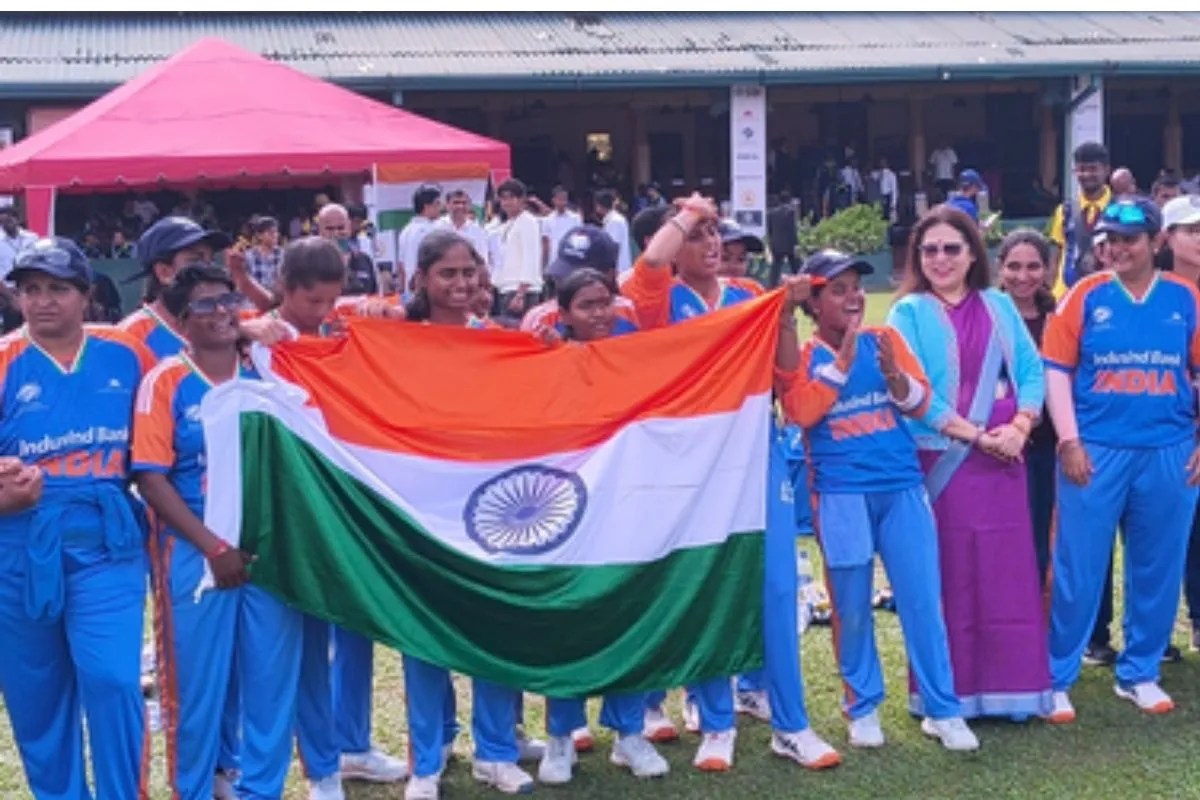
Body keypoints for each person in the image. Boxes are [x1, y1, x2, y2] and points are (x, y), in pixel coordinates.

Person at [623, 193, 840, 772]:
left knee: (774, 587)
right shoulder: (661, 297)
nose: (712, 243)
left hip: (755, 451)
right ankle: (716, 721)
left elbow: (786, 374)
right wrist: (687, 215)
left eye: (717, 233)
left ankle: (791, 724)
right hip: (688, 462)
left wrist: (787, 316)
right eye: (701, 235)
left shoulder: (748, 296)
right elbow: (646, 268)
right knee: (710, 582)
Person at [777, 248, 978, 751]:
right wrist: (841, 365)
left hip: (902, 488)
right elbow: (800, 412)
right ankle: (862, 707)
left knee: (922, 600)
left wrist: (895, 379)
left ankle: (942, 709)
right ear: (814, 304)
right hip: (841, 494)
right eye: (839, 290)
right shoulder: (803, 358)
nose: (853, 298)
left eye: (856, 287)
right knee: (851, 606)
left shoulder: (885, 340)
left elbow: (921, 401)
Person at [240, 237, 408, 800]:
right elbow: (208, 331)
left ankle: (341, 755)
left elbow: (395, 317)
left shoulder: (343, 328)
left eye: (330, 301)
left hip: (348, 510)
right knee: (292, 652)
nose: (321, 312)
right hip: (283, 515)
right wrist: (247, 328)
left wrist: (376, 314)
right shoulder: (257, 338)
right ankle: (304, 771)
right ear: (283, 289)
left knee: (351, 633)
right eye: (311, 301)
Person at [133, 264, 303, 800]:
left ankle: (262, 790)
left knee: (271, 683)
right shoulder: (166, 380)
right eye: (205, 306)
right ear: (184, 322)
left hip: (267, 550)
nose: (222, 312)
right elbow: (151, 478)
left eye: (227, 300)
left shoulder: (267, 371)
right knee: (197, 686)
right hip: (195, 553)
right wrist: (212, 547)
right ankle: (196, 788)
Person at [0, 237, 154, 799]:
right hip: (18, 548)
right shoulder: (4, 361)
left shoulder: (126, 351)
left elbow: (193, 368)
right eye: (30, 290)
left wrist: (259, 331)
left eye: (57, 289)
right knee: (36, 696)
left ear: (86, 295)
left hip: (106, 541)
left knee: (113, 679)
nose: (42, 302)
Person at [887, 204, 1052, 722]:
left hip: (1004, 460)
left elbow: (1030, 369)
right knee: (949, 577)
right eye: (930, 249)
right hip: (943, 462)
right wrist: (977, 435)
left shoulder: (1000, 305)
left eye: (951, 248)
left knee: (1005, 574)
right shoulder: (906, 313)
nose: (940, 259)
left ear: (971, 253)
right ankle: (945, 695)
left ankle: (1012, 692)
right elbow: (912, 393)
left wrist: (1021, 426)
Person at [1042, 197, 1200, 721]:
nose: (1117, 248)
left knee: (1157, 564)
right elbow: (1057, 370)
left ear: (1156, 242)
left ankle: (1140, 672)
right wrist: (1069, 440)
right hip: (1097, 449)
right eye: (1109, 239)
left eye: (1129, 239)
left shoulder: (1186, 298)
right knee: (1078, 565)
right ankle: (1057, 673)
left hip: (1169, 450)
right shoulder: (1085, 295)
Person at [400, 229, 541, 800]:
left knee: (495, 626)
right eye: (447, 274)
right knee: (422, 631)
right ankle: (427, 760)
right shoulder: (396, 342)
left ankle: (497, 751)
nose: (460, 285)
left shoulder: (499, 340)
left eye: (469, 273)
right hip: (421, 507)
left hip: (492, 505)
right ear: (421, 280)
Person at [534, 266, 671, 785]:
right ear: (563, 313)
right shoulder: (544, 355)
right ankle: (560, 736)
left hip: (627, 501)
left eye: (605, 302)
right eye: (586, 305)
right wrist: (548, 358)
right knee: (567, 617)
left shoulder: (636, 347)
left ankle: (629, 733)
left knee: (628, 612)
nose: (598, 314)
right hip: (568, 505)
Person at [995, 229, 1059, 585]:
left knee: (1040, 535)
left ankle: (1036, 618)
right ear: (999, 268)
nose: (1023, 276)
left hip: (1046, 444)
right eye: (1014, 266)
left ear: (1048, 269)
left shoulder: (1059, 318)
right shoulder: (987, 314)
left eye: (1033, 266)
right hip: (996, 443)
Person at [121, 216, 232, 360]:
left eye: (210, 261)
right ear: (164, 272)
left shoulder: (227, 324)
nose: (207, 270)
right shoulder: (130, 337)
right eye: (195, 261)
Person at [520, 225, 637, 335]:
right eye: (564, 276)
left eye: (580, 279)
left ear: (609, 275)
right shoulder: (540, 320)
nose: (567, 285)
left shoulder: (632, 313)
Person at [1050, 142, 1113, 298]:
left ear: (1106, 170)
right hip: (1067, 294)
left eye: (1093, 169)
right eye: (1081, 169)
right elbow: (1057, 254)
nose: (1086, 175)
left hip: (1108, 292)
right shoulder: (1064, 210)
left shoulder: (1119, 208)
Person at [491, 179, 543, 323]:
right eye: (503, 199)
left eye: (511, 198)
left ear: (522, 200)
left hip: (521, 290)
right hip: (505, 287)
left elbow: (531, 257)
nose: (507, 203)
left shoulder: (528, 222)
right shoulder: (506, 224)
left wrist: (521, 293)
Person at [398, 184, 444, 297]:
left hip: (411, 292)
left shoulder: (406, 230)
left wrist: (403, 292)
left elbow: (401, 266)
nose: (440, 208)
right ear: (426, 206)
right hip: (426, 290)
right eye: (437, 203)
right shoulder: (431, 230)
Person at [437, 189, 489, 268]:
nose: (460, 206)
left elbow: (482, 258)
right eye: (456, 202)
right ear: (447, 205)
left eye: (464, 203)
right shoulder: (438, 227)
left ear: (469, 206)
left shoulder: (477, 230)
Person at [540, 186, 581, 269]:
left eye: (564, 199)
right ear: (553, 200)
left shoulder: (575, 218)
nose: (562, 202)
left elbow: (579, 238)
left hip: (571, 261)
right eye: (559, 199)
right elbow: (545, 244)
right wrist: (544, 265)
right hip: (553, 260)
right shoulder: (547, 220)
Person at [596, 189, 633, 275]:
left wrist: (611, 269)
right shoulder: (612, 219)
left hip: (618, 269)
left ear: (599, 205)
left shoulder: (614, 221)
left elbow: (614, 246)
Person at [766, 191, 799, 284]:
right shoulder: (791, 212)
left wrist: (770, 243)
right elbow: (792, 230)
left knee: (775, 269)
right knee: (796, 267)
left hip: (776, 244)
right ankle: (799, 285)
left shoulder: (771, 213)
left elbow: (770, 230)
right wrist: (796, 244)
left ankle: (771, 287)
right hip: (789, 245)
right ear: (789, 200)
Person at [244, 215, 284, 289]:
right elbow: (245, 283)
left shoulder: (283, 255)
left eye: (276, 232)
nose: (275, 235)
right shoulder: (249, 256)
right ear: (259, 236)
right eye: (271, 233)